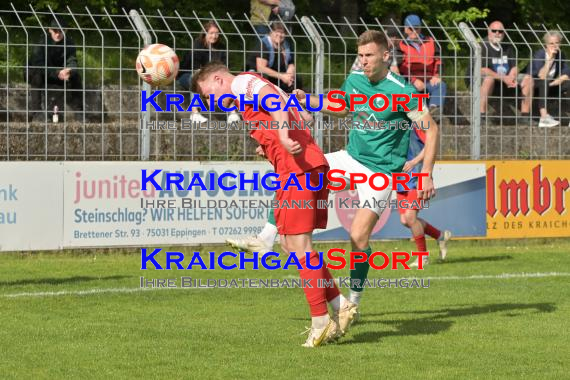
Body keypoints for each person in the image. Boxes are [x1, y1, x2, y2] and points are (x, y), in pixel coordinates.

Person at [228, 30, 439, 322]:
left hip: (381, 173)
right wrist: (307, 99)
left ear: (386, 56)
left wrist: (426, 174)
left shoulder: (402, 91)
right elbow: (340, 109)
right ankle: (266, 235)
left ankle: (352, 302)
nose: (363, 61)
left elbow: (432, 130)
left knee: (358, 236)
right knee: (299, 172)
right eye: (361, 55)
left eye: (369, 56)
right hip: (351, 158)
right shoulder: (355, 81)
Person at [191, 61, 355, 348]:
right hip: (303, 167)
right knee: (291, 245)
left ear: (218, 80)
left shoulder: (242, 83)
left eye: (207, 95)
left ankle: (320, 321)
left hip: (299, 169)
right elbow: (288, 112)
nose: (210, 102)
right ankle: (340, 304)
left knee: (299, 246)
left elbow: (276, 102)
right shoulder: (245, 96)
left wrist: (281, 136)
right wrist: (269, 142)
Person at [398, 126, 451, 268]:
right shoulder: (393, 121)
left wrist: (414, 162)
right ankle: (440, 235)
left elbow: (430, 145)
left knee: (410, 217)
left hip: (417, 175)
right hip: (401, 177)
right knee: (405, 220)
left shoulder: (418, 120)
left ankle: (423, 258)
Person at [177, 21, 239, 124]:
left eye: (217, 33)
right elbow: (196, 69)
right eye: (211, 33)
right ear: (205, 33)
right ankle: (195, 113)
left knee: (227, 81)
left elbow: (224, 68)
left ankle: (232, 113)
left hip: (212, 77)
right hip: (188, 75)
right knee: (196, 79)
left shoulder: (222, 48)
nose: (214, 36)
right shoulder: (197, 45)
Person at [27, 18, 83, 122]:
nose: (58, 34)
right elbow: (38, 64)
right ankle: (36, 113)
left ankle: (79, 112)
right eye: (55, 31)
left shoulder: (69, 43)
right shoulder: (41, 42)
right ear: (49, 30)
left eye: (61, 31)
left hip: (60, 75)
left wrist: (69, 70)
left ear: (65, 31)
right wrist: (57, 72)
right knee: (36, 74)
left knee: (76, 77)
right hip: (44, 74)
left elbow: (73, 61)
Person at [479, 21, 534, 123]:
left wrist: (512, 76)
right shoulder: (481, 46)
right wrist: (504, 78)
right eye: (494, 30)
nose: (497, 33)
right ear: (488, 31)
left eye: (500, 31)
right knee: (488, 78)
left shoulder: (507, 47)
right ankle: (481, 116)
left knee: (528, 79)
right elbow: (482, 70)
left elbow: (514, 67)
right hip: (483, 82)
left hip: (505, 81)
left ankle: (525, 116)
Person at [397, 14, 446, 116]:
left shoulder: (431, 41)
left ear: (421, 28)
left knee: (441, 86)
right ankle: (419, 117)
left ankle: (434, 111)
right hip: (411, 82)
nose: (414, 31)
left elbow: (438, 60)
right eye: (411, 28)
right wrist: (413, 80)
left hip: (429, 80)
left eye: (416, 28)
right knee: (412, 92)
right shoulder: (401, 45)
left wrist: (436, 76)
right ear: (405, 29)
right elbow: (400, 68)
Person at [529, 31, 570, 128]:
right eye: (551, 43)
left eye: (557, 43)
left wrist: (557, 81)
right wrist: (550, 59)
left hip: (551, 85)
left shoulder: (560, 54)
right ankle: (544, 118)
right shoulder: (539, 54)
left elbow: (567, 72)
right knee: (544, 81)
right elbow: (541, 75)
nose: (555, 46)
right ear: (546, 45)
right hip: (536, 85)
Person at [255, 22, 301, 93]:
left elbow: (291, 62)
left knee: (297, 79)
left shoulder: (286, 45)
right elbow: (261, 68)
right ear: (270, 32)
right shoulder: (263, 44)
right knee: (264, 77)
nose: (279, 35)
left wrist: (290, 74)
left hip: (278, 75)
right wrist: (282, 76)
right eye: (277, 32)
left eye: (282, 33)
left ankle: (294, 101)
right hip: (260, 75)